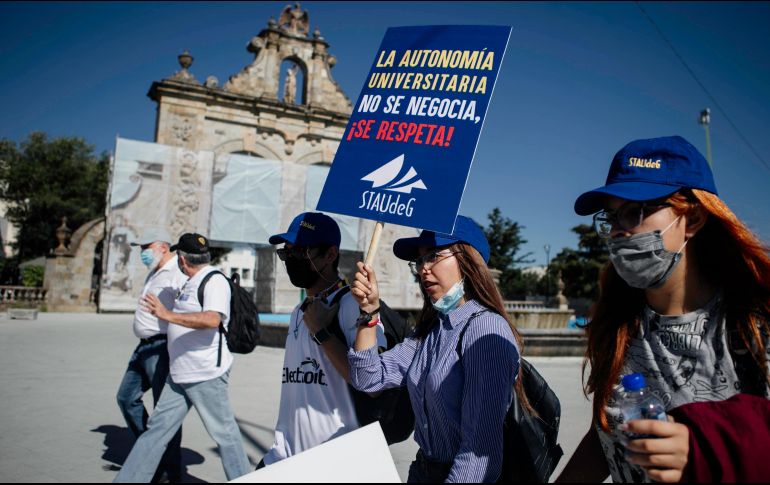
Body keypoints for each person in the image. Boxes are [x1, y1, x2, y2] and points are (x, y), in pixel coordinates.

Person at [556, 135, 770, 483]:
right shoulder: (616, 325)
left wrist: (706, 448)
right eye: (611, 217)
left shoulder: (754, 325)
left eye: (635, 212)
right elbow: (607, 433)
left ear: (694, 218)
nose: (618, 232)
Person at [347, 215, 528, 483]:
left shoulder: (486, 330)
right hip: (422, 472)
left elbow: (478, 456)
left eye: (434, 256)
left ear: (467, 261)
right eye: (419, 261)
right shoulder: (430, 333)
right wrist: (369, 312)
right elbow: (367, 378)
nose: (423, 269)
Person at [114, 233, 251, 482]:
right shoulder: (190, 280)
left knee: (225, 434)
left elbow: (212, 319)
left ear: (183, 259)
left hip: (205, 372)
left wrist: (166, 315)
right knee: (156, 431)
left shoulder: (214, 281)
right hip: (179, 373)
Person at [258, 212, 388, 468]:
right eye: (286, 253)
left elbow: (374, 385)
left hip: (331, 459)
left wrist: (322, 333)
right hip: (284, 452)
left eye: (301, 252)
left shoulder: (352, 304)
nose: (291, 259)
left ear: (330, 254)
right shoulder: (299, 311)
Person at [116, 228, 185, 482]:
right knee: (125, 398)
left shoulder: (176, 272)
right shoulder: (155, 271)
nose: (143, 252)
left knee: (164, 412)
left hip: (160, 348)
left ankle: (169, 470)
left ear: (163, 247)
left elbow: (187, 304)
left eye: (147, 246)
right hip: (142, 347)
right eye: (141, 247)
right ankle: (150, 451)